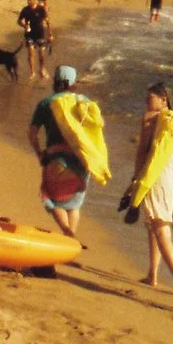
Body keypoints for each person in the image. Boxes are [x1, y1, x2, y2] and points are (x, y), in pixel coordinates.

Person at [124, 82, 173, 291]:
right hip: (171, 177)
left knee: (160, 227)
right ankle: (153, 274)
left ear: (163, 99)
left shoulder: (150, 119)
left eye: (149, 98)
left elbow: (142, 152)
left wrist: (136, 180)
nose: (146, 103)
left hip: (155, 176)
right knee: (153, 225)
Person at [28, 66, 107, 237]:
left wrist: (40, 152)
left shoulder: (46, 103)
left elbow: (32, 133)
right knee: (74, 204)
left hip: (55, 159)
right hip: (81, 160)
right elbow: (97, 127)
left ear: (55, 81)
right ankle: (69, 240)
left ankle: (68, 233)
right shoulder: (84, 102)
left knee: (53, 200)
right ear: (73, 83)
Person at [18, 0, 52, 75]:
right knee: (30, 53)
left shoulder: (41, 9)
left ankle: (41, 69)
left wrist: (50, 34)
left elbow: (48, 22)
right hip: (29, 35)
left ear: (35, 0)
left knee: (41, 54)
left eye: (30, 0)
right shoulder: (25, 10)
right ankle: (32, 71)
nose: (28, 1)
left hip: (40, 34)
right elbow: (19, 21)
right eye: (28, 0)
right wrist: (24, 26)